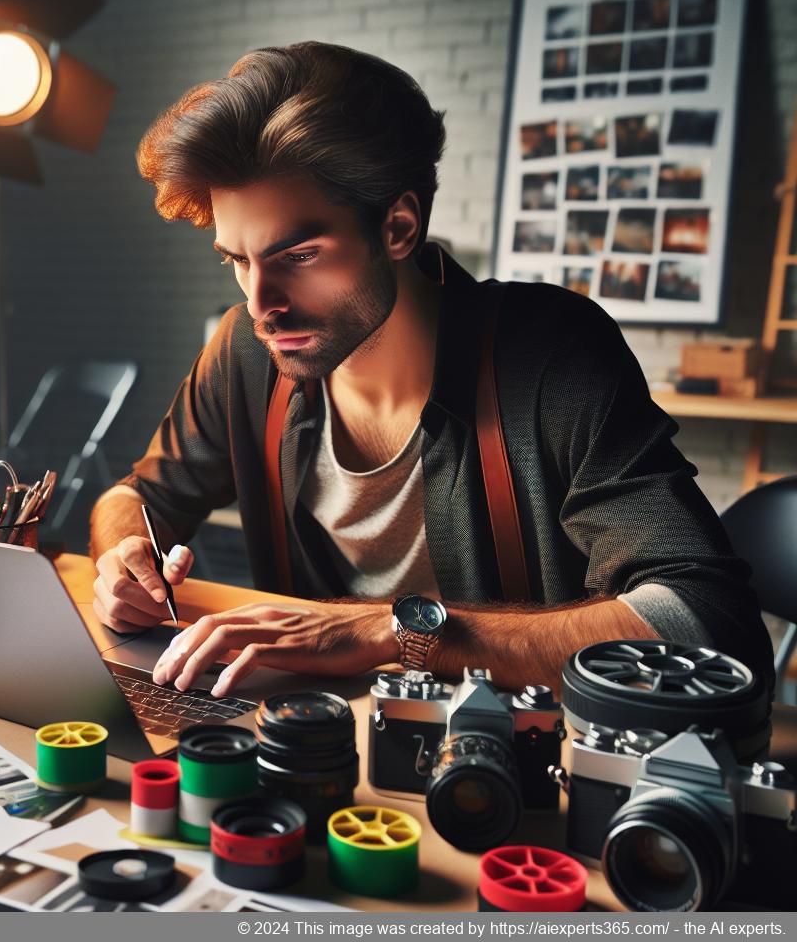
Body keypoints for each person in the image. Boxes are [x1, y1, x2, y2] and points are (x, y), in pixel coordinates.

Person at [90, 42, 772, 700]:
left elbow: (707, 624)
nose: (260, 302)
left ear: (398, 227)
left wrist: (397, 632)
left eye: (298, 255)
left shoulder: (551, 354)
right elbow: (136, 497)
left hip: (505, 769)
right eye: (236, 259)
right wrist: (124, 559)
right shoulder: (245, 349)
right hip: (310, 742)